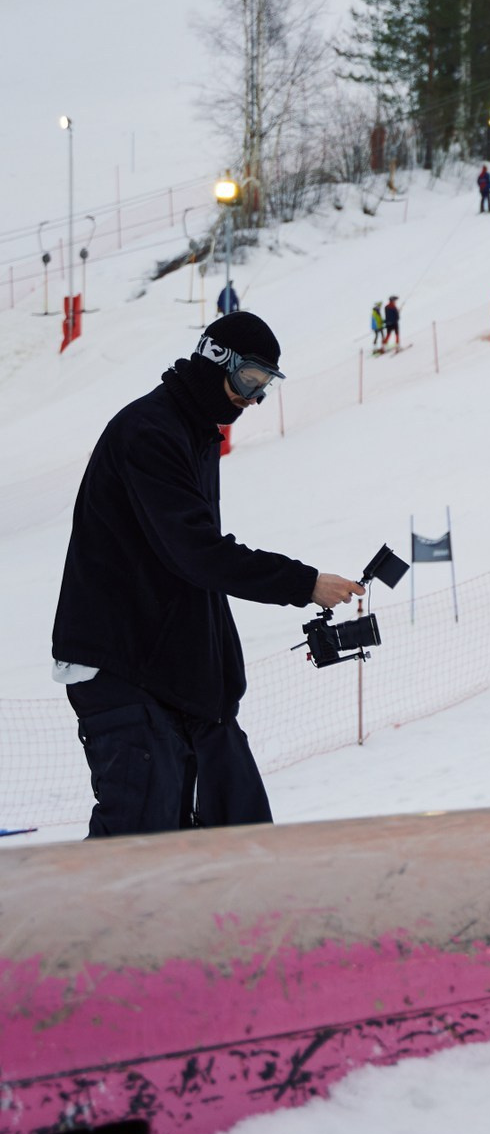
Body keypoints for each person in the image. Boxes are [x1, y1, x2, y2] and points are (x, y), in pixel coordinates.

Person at [51, 313, 365, 837]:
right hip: (120, 664)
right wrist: (303, 583)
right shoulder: (148, 432)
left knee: (239, 826)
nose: (254, 398)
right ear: (216, 360)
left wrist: (222, 680)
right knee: (140, 837)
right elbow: (198, 554)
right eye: (250, 381)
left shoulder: (193, 433)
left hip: (170, 670)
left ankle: (232, 918)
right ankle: (92, 916)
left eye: (265, 386)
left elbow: (190, 573)